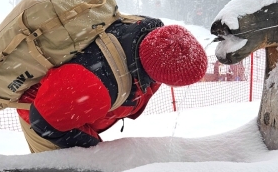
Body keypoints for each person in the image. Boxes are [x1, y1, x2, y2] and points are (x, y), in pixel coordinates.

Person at [17, 19, 207, 151]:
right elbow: (43, 122)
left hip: (76, 106)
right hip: (44, 114)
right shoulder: (95, 84)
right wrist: (95, 148)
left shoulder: (150, 37)